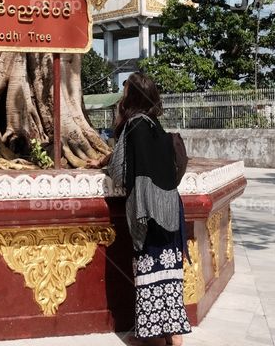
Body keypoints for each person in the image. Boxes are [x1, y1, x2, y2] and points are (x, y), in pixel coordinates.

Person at [98, 72, 191, 345]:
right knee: (170, 273)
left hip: (146, 212)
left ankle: (152, 337)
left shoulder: (132, 127)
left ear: (133, 96)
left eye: (125, 91)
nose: (122, 96)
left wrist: (106, 159)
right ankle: (174, 335)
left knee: (149, 272)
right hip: (172, 210)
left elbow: (118, 173)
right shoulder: (156, 127)